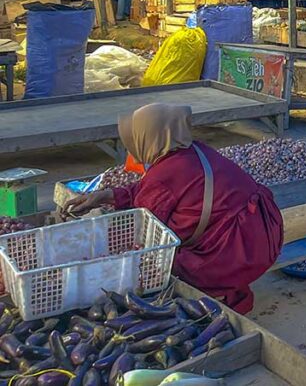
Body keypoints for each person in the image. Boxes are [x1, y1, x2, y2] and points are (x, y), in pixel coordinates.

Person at [65, 104, 283, 314]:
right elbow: (148, 190)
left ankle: (209, 299)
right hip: (264, 234)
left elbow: (144, 224)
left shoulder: (165, 173)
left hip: (237, 252)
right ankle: (231, 288)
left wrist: (101, 252)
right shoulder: (195, 149)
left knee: (158, 262)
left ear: (150, 136)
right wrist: (106, 196)